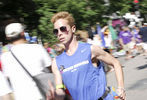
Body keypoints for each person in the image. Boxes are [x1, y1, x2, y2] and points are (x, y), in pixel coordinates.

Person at [51, 11, 125, 100]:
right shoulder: (56, 62)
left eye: (63, 28)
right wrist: (56, 96)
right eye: (56, 31)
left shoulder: (90, 49)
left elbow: (116, 63)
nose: (59, 33)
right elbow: (60, 90)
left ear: (73, 28)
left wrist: (121, 88)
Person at [1, 23, 54, 100]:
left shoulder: (4, 57)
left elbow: (6, 80)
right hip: (43, 95)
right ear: (23, 33)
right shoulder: (37, 48)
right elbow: (52, 69)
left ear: (8, 37)